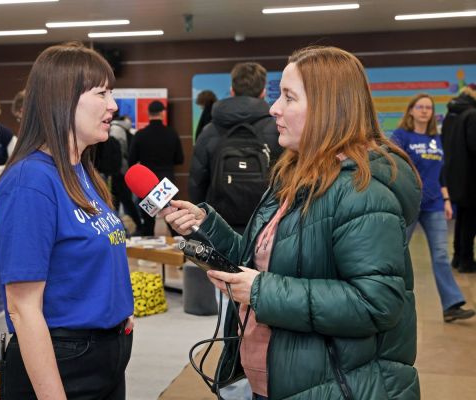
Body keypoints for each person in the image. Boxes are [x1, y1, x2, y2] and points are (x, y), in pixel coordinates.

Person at [160, 46, 421, 400]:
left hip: (334, 386)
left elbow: (377, 302)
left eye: (288, 97)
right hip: (283, 380)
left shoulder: (362, 192)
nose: (273, 109)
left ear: (328, 108)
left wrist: (261, 291)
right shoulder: (296, 174)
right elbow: (258, 261)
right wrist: (205, 226)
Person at [0, 42, 134, 400]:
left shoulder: (81, 171)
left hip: (106, 353)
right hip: (64, 360)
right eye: (102, 92)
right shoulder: (30, 184)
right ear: (63, 99)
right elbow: (23, 309)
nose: (113, 105)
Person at [391, 93, 475, 322]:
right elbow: (393, 167)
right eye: (420, 107)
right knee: (395, 253)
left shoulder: (435, 139)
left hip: (435, 204)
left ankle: (452, 305)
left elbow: (441, 174)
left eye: (429, 107)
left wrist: (447, 200)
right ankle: (388, 303)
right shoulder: (401, 136)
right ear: (411, 110)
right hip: (408, 203)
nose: (425, 111)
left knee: (440, 254)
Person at [189, 62, 283, 234]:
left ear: (232, 90)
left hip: (220, 225)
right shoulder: (278, 129)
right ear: (263, 92)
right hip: (268, 226)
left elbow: (197, 182)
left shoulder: (210, 130)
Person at [128, 100, 184, 236]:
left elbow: (131, 160)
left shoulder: (140, 135)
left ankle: (148, 255)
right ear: (162, 113)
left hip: (147, 184)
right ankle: (180, 252)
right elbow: (179, 159)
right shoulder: (171, 133)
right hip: (166, 184)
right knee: (173, 220)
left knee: (148, 222)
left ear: (149, 114)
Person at [441, 84, 476, 272]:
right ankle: (467, 260)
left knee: (462, 218)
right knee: (470, 219)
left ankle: (458, 257)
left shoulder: (451, 115)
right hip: (470, 176)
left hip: (454, 173)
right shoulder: (472, 114)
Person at [109, 114, 142, 232]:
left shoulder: (114, 129)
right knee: (121, 199)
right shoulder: (127, 131)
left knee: (120, 199)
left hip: (117, 170)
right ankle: (120, 225)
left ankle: (117, 226)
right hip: (125, 169)